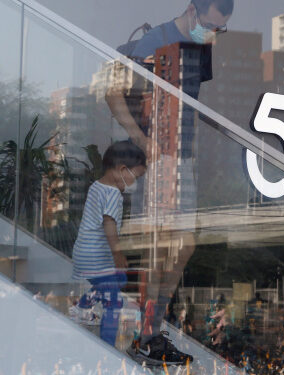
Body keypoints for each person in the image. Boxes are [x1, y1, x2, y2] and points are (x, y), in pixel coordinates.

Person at [105, 0, 234, 367]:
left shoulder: (200, 47)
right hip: (155, 158)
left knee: (184, 246)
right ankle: (146, 335)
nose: (212, 34)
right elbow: (113, 95)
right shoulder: (153, 42)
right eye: (210, 25)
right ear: (193, 10)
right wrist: (144, 141)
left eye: (219, 29)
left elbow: (190, 106)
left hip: (183, 159)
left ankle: (151, 330)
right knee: (159, 249)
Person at [72, 140, 147, 346]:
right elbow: (109, 223)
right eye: (136, 177)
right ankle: (107, 346)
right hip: (97, 256)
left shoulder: (97, 186)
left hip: (83, 252)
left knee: (120, 278)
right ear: (122, 169)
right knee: (114, 301)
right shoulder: (113, 194)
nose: (134, 183)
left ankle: (82, 305)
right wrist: (117, 253)